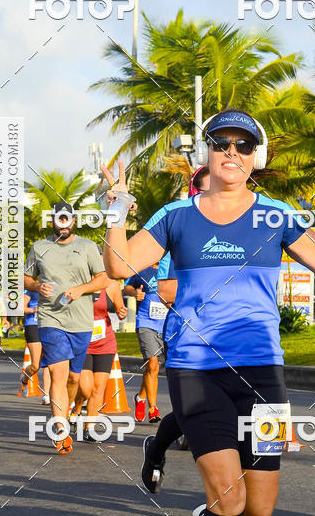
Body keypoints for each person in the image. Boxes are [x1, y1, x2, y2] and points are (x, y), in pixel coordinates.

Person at [102, 109, 315, 516]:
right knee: (230, 498)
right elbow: (118, 267)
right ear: (207, 153)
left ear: (256, 156)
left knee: (257, 510)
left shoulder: (275, 215)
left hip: (262, 370)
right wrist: (114, 210)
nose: (231, 151)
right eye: (221, 142)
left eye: (243, 144)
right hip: (195, 368)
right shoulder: (175, 216)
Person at [142, 166, 211, 492]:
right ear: (194, 195)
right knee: (192, 411)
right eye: (207, 192)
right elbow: (166, 290)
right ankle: (156, 450)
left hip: (232, 337)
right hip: (187, 335)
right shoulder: (179, 238)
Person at [23, 200, 109, 454]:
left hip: (81, 321)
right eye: (59, 218)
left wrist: (81, 289)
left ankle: (67, 411)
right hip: (50, 318)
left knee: (74, 378)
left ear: (73, 221)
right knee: (58, 373)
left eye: (67, 218)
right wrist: (37, 286)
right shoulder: (39, 247)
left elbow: (102, 279)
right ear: (52, 221)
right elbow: (26, 278)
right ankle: (60, 430)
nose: (63, 223)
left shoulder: (87, 246)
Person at [71, 279, 127, 437]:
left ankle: (89, 428)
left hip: (105, 343)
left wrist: (122, 313)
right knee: (85, 388)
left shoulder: (112, 286)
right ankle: (77, 409)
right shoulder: (78, 282)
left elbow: (120, 309)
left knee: (98, 388)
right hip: (82, 343)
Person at [124, 260, 168, 423]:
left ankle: (141, 397)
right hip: (146, 323)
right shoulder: (142, 268)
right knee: (153, 365)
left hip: (166, 325)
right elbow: (127, 287)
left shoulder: (171, 268)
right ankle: (153, 409)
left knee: (152, 368)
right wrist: (135, 293)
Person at [23, 290, 50, 405]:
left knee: (49, 362)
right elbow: (21, 308)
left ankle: (46, 394)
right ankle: (24, 379)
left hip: (49, 326)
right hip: (33, 325)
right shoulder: (31, 290)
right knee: (35, 366)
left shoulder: (55, 287)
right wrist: (33, 310)